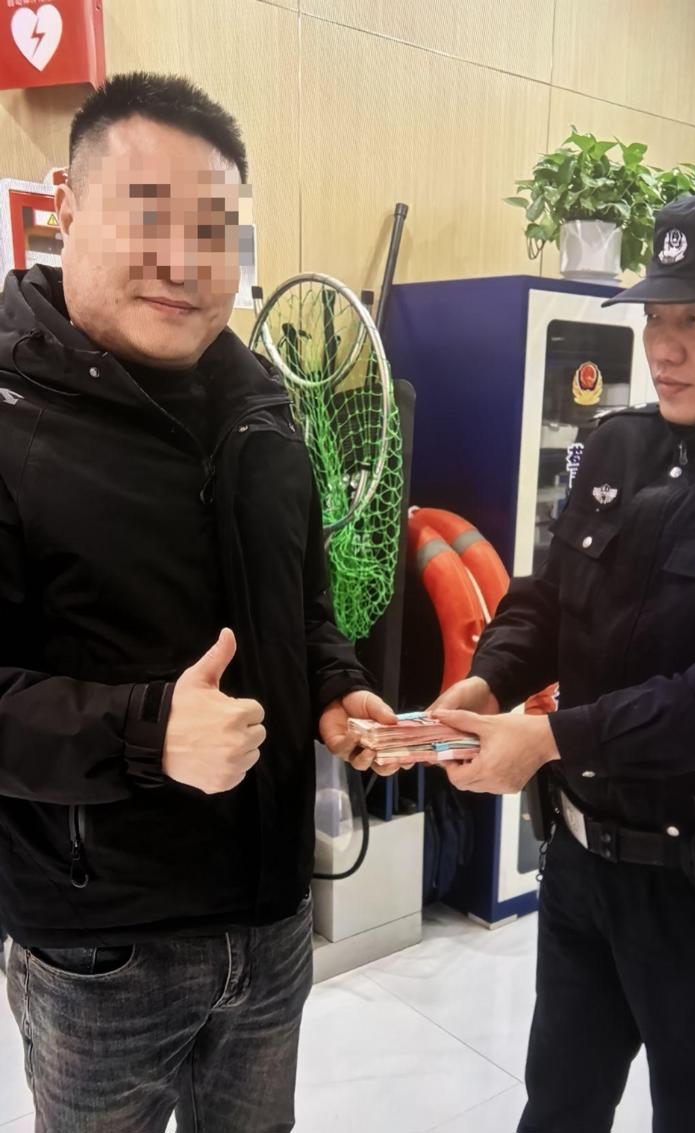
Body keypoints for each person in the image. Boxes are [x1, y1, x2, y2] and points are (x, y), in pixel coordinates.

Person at [0, 71, 394, 1133]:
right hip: (100, 952)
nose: (184, 261)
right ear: (65, 206)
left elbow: (302, 605)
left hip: (271, 923)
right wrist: (147, 733)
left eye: (213, 229)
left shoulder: (264, 408)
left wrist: (335, 686)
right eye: (148, 215)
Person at [432, 190, 695, 1133]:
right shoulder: (621, 441)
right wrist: (489, 678)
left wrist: (549, 738)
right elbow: (548, 599)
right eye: (657, 318)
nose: (664, 347)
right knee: (558, 1103)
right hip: (580, 861)